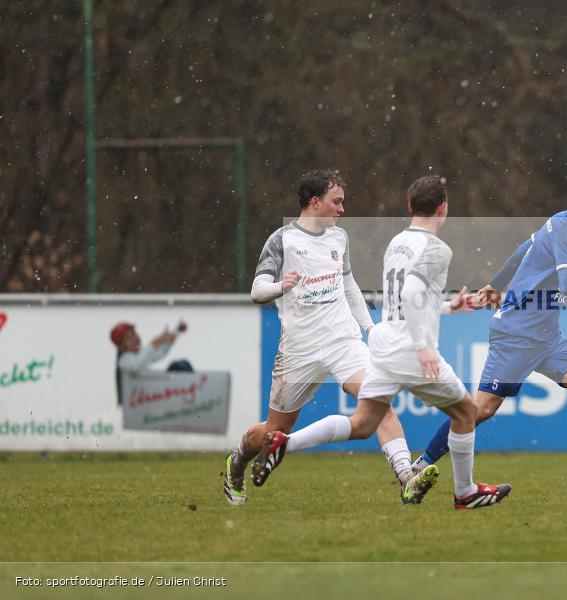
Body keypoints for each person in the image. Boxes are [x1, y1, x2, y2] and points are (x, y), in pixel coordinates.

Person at [252, 175, 512, 509]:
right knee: (467, 411)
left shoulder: (398, 243)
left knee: (362, 423)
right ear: (443, 209)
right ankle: (465, 493)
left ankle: (283, 444)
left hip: (385, 345)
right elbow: (413, 293)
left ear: (409, 207)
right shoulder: (436, 249)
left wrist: (451, 306)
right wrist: (422, 346)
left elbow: (403, 301)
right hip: (408, 349)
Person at [411, 166, 567, 494]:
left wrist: (495, 284)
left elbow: (522, 250)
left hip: (547, 336)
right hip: (517, 334)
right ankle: (419, 467)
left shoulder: (563, 222)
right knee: (478, 410)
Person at [223, 169, 430, 506]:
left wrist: (370, 328)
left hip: (343, 341)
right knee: (275, 433)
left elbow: (348, 286)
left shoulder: (339, 238)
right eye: (336, 202)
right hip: (299, 351)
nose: (342, 209)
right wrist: (281, 287)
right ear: (314, 201)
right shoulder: (282, 240)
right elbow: (257, 291)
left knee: (378, 400)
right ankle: (237, 463)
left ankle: (407, 477)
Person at [111, 321, 193, 405]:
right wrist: (155, 342)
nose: (135, 338)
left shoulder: (139, 354)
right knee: (179, 368)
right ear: (120, 346)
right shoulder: (124, 360)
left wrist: (176, 332)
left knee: (181, 364)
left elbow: (162, 352)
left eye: (134, 334)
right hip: (142, 404)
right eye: (128, 337)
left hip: (153, 397)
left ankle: (193, 399)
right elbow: (136, 365)